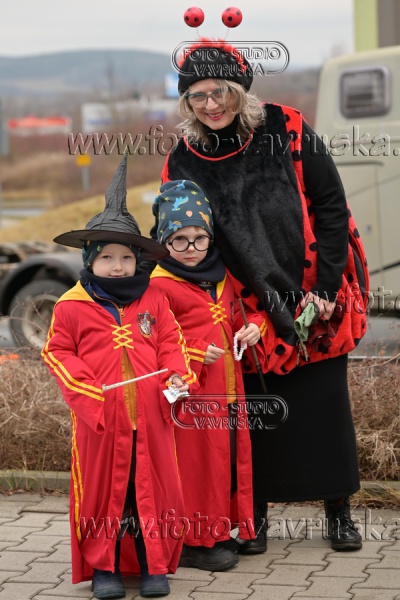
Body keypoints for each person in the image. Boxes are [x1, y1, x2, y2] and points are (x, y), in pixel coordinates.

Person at [146, 38, 370, 553]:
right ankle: (256, 519)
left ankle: (339, 513)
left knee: (325, 407)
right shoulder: (182, 160)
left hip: (314, 288)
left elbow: (331, 207)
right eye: (198, 96)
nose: (211, 104)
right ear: (186, 103)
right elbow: (181, 235)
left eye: (220, 91)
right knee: (257, 414)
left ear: (239, 89)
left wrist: (327, 288)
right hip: (246, 303)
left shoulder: (286, 127)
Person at [42, 155, 197, 599]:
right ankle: (104, 568)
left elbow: (171, 342)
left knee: (150, 491)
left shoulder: (153, 299)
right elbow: (57, 352)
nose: (117, 266)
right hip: (101, 422)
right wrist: (87, 389)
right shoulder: (71, 306)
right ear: (90, 259)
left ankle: (153, 565)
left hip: (151, 419)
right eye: (107, 257)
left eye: (126, 258)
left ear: (137, 261)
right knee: (104, 493)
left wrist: (178, 376)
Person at [150, 179, 266, 569]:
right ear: (164, 241)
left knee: (224, 463)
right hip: (190, 395)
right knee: (197, 467)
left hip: (228, 391)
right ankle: (193, 542)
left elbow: (240, 315)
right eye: (179, 239)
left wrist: (254, 327)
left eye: (200, 238)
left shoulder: (222, 276)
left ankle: (218, 531)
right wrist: (196, 352)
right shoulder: (158, 285)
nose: (191, 248)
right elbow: (152, 340)